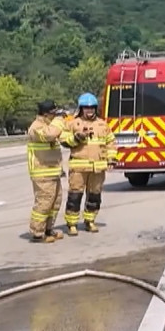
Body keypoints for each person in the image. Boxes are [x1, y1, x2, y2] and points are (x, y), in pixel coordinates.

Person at [62, 92, 116, 235]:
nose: (89, 110)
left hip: (97, 168)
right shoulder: (73, 123)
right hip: (79, 168)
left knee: (94, 196)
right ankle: (72, 223)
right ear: (81, 108)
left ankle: (90, 221)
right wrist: (76, 138)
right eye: (86, 108)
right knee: (75, 196)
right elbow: (64, 140)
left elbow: (110, 142)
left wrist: (111, 159)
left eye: (92, 108)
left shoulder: (102, 124)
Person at [26, 100, 67, 244]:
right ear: (45, 114)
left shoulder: (49, 125)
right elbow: (49, 135)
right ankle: (37, 233)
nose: (55, 116)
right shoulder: (36, 127)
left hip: (53, 171)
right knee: (44, 202)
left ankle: (49, 229)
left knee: (55, 202)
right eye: (53, 113)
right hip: (41, 172)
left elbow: (62, 137)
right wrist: (59, 121)